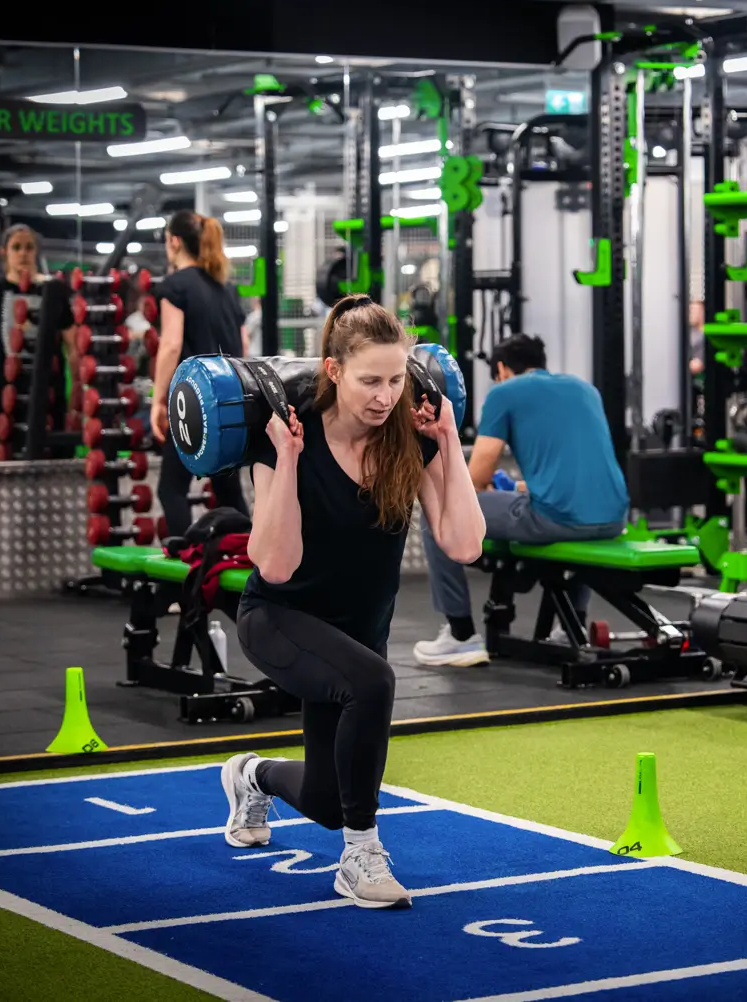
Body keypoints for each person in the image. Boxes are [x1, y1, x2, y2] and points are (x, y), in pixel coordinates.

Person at [219, 296, 485, 909]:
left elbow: (464, 544)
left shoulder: (409, 438)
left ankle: (250, 775)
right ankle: (360, 855)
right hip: (279, 619)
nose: (385, 396)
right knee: (373, 682)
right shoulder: (286, 435)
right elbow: (276, 564)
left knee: (325, 800)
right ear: (334, 371)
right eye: (370, 381)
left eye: (395, 380)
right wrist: (288, 460)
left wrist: (449, 440)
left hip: (356, 634)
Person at [413, 333, 629, 667]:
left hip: (555, 518)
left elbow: (475, 478)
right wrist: (516, 487)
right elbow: (576, 471)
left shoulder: (504, 392)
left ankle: (460, 635)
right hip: (614, 517)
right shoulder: (584, 388)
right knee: (574, 516)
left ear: (501, 369)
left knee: (438, 513)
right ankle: (569, 627)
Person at [148, 212, 251, 540]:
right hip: (230, 401)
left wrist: (158, 401)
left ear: (174, 241)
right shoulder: (226, 288)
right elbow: (243, 345)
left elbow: (170, 345)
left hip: (192, 401)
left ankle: (189, 562)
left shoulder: (175, 285)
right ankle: (243, 557)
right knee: (228, 490)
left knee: (171, 489)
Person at [0, 225, 79, 461]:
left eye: (28, 247)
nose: (23, 253)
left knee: (51, 455)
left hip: (48, 393)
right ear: (4, 252)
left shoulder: (54, 292)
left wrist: (76, 395)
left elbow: (73, 347)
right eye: (16, 248)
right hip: (3, 394)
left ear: (36, 251)